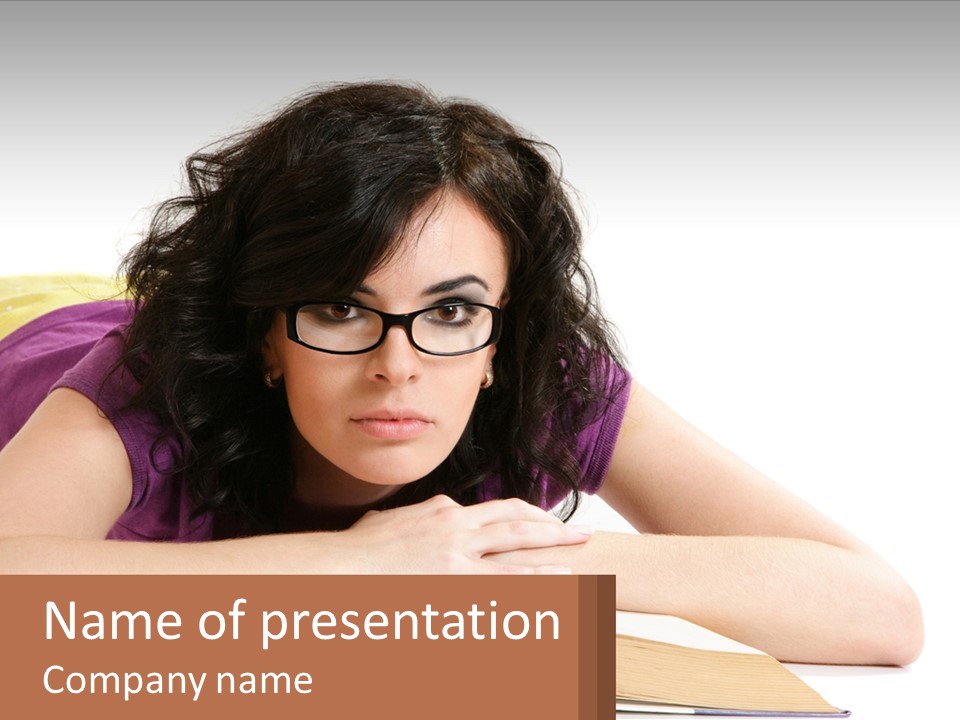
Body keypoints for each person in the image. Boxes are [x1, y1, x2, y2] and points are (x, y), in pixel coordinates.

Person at [0, 81, 922, 665]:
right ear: (263, 336)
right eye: (338, 308)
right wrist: (350, 569)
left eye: (448, 311)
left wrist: (510, 566)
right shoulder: (142, 386)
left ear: (497, 336)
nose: (397, 367)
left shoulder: (538, 365)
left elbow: (877, 613)